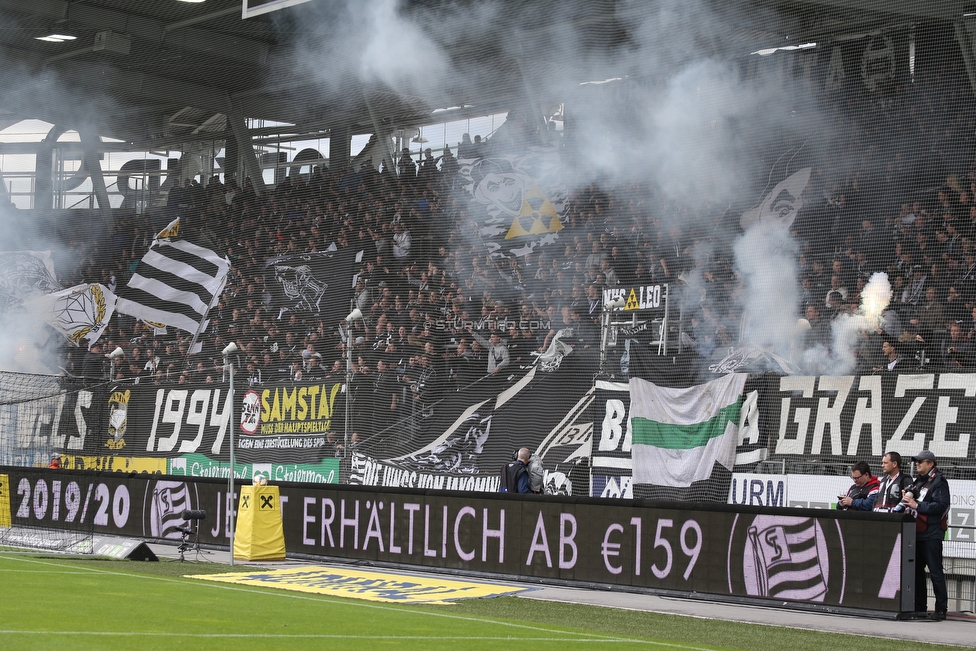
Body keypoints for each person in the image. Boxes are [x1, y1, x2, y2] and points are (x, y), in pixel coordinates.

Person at [901, 450, 951, 620]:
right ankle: (920, 607)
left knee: (936, 572)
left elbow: (941, 507)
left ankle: (941, 609)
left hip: (932, 534)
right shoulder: (918, 482)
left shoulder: (939, 481)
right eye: (916, 462)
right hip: (916, 533)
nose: (917, 464)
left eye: (920, 461)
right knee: (916, 572)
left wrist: (917, 505)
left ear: (930, 463)